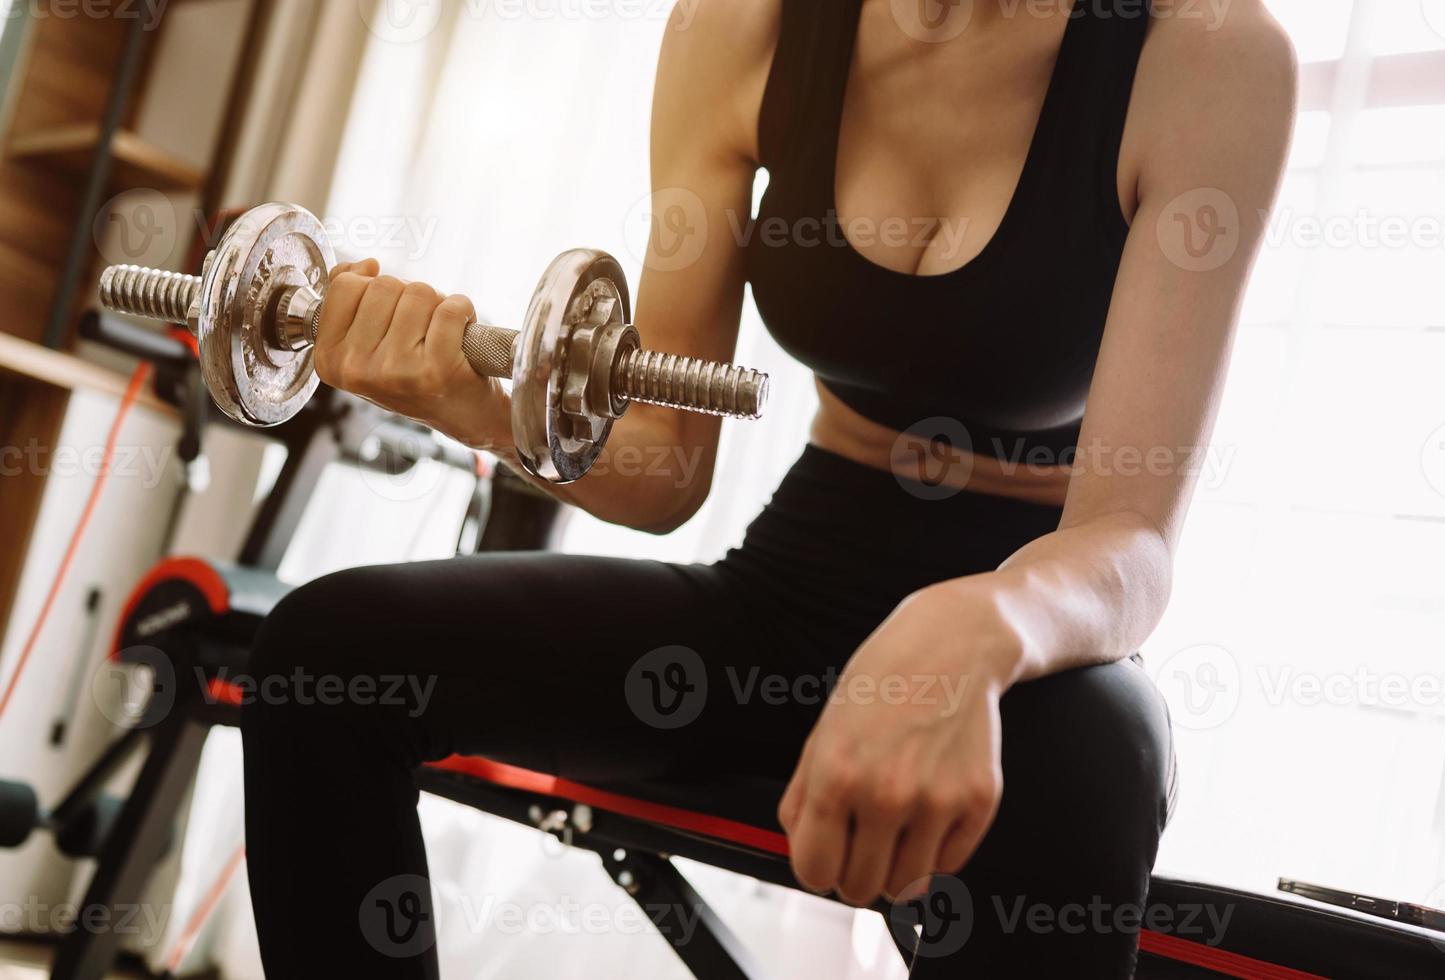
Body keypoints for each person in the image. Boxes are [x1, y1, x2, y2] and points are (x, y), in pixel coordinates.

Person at [241, 0, 1295, 975]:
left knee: (1089, 765)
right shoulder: (740, 27)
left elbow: (1129, 539)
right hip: (788, 597)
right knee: (320, 657)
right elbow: (661, 463)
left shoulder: (1204, 57)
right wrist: (462, 402)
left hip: (1038, 645)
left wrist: (973, 628)